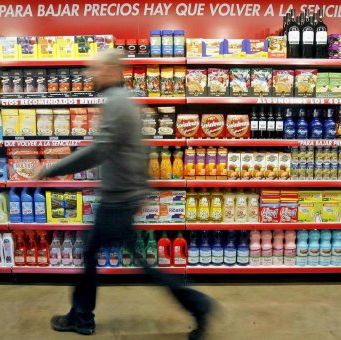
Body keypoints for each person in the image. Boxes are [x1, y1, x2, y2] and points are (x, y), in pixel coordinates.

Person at [35, 49, 213, 340]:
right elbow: (133, 149)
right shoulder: (122, 101)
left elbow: (98, 150)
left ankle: (82, 317)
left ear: (112, 71)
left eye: (95, 69)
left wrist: (51, 169)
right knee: (120, 259)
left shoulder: (117, 103)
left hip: (118, 198)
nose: (89, 75)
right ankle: (82, 316)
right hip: (124, 194)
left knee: (104, 256)